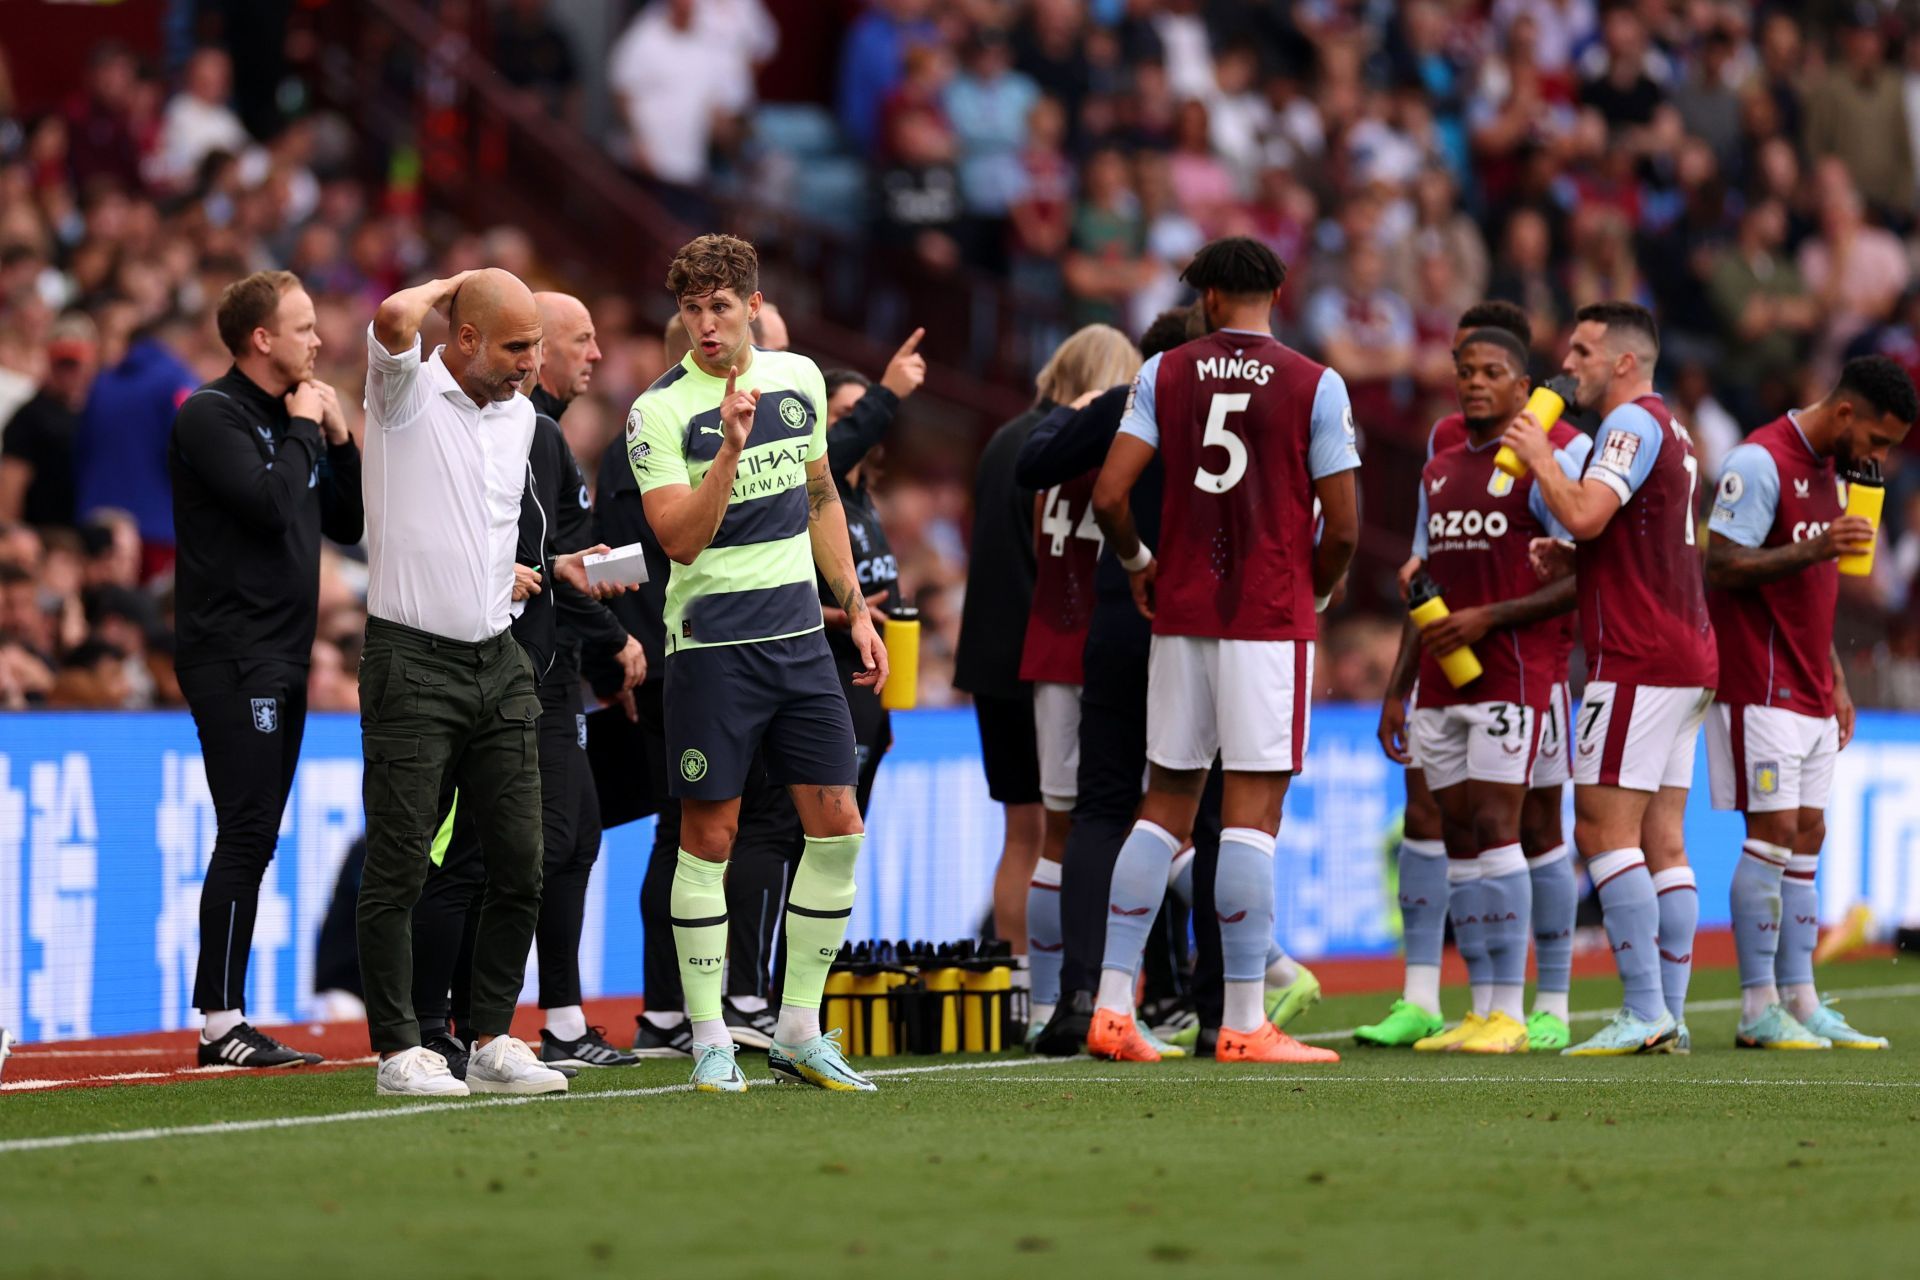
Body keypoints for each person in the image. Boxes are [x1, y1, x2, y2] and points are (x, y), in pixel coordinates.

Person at [1090, 236, 1359, 1066]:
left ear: (1206, 298)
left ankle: (1111, 1008)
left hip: (1182, 615)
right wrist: (1312, 592)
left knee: (1163, 807)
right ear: (1278, 290)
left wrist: (1140, 565)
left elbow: (1109, 494)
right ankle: (1245, 1019)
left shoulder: (1161, 373)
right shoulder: (1315, 383)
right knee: (1251, 817)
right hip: (1266, 615)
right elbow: (1344, 527)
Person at [627, 234, 886, 1094]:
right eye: (692, 309)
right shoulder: (658, 412)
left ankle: (798, 1030)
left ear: (750, 304)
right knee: (711, 841)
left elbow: (820, 498)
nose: (705, 325)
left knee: (839, 828)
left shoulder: (800, 379)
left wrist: (854, 612)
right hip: (709, 651)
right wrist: (732, 448)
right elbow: (678, 539)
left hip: (801, 647)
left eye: (720, 307)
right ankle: (709, 1038)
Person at [356, 267, 621, 1099]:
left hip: (499, 658)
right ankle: (399, 1048)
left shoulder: (521, 424)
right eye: (516, 346)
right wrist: (466, 277)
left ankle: (491, 1038)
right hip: (411, 657)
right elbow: (397, 313)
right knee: (399, 861)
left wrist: (516, 568)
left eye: (538, 348)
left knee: (521, 860)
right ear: (463, 336)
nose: (530, 365)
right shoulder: (403, 394)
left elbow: (484, 518)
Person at [1362, 299, 1586, 1053]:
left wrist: (1493, 619)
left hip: (1532, 672)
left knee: (1530, 827)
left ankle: (1538, 1004)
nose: (1473, 380)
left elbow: (1582, 567)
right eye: (1463, 368)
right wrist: (1400, 682)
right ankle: (1460, 1003)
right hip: (1444, 674)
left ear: (1525, 381)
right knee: (1448, 825)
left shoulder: (1560, 451)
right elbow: (1423, 578)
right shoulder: (1439, 457)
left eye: (1490, 369)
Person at [1501, 300, 1715, 1056]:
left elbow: (1588, 513)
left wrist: (1542, 460)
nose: (1570, 364)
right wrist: (1580, 560)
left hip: (1638, 655)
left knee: (1600, 830)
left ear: (1625, 362)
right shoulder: (1674, 427)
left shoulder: (1625, 425)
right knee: (1664, 840)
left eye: (1585, 351)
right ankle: (1672, 1015)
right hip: (1688, 654)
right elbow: (1634, 534)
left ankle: (1643, 1010)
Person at [169, 270, 362, 1069]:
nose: (319, 342)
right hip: (233, 653)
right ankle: (220, 1023)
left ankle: (227, 1015)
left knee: (257, 834)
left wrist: (340, 439)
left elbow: (345, 521)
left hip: (279, 654)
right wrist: (307, 431)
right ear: (262, 339)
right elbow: (271, 506)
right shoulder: (211, 415)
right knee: (246, 829)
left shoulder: (295, 420)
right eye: (304, 327)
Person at [1705, 356, 1915, 1050]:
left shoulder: (1836, 472)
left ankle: (1800, 998)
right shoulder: (1760, 461)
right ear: (1847, 413)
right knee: (1771, 834)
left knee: (1809, 837)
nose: (1880, 458)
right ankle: (1755, 1007)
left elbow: (1812, 594)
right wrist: (1821, 543)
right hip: (1758, 682)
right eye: (1879, 441)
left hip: (1808, 684)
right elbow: (1722, 564)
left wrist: (1835, 676)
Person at [1010, 325, 1142, 1035]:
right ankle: (1116, 996)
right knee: (1138, 823)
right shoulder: (1116, 449)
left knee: (1056, 836)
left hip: (1048, 647)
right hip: (1106, 644)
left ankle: (1045, 1003)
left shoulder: (1049, 452)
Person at [0, 313, 97, 530]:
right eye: (62, 364)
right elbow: (10, 492)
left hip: (85, 534)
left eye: (75, 364)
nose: (70, 373)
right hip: (47, 537)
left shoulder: (97, 411)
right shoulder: (29, 417)